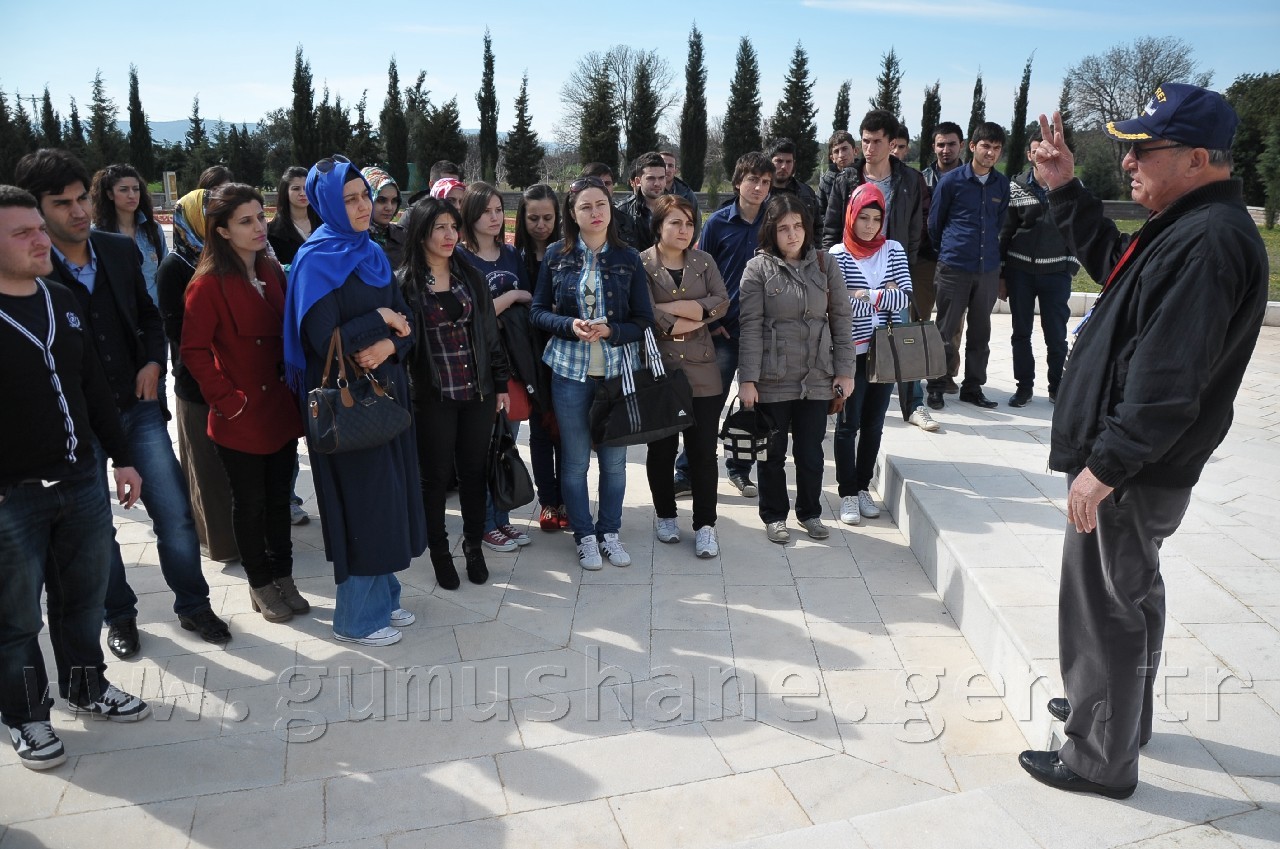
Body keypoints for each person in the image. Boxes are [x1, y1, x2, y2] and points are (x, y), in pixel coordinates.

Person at [1017, 87, 1269, 800]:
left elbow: (1166, 382)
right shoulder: (1184, 221)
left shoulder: (1209, 239)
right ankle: (1121, 713)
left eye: (1142, 149)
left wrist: (1105, 466)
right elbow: (1115, 264)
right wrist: (1065, 187)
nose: (1127, 161)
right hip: (1139, 464)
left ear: (1196, 158)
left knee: (1104, 605)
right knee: (1132, 589)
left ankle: (1100, 753)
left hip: (1133, 469)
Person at [16, 149, 229, 657]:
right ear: (36, 210)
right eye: (61, 203)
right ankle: (121, 615)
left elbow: (151, 318)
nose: (78, 211)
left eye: (81, 198)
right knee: (97, 531)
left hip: (137, 408)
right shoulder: (30, 274)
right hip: (77, 424)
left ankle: (194, 604)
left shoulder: (116, 249)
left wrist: (154, 363)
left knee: (175, 513)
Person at [0, 185, 153, 770]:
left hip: (81, 482)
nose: (42, 239)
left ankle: (87, 687)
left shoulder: (60, 298)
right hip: (12, 498)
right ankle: (26, 716)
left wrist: (122, 456)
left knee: (82, 601)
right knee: (14, 618)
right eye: (23, 233)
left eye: (39, 228)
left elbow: (91, 387)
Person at [283, 155, 426, 647]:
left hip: (385, 392)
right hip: (347, 404)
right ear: (328, 204)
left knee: (390, 499)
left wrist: (391, 339)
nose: (363, 206)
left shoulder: (371, 253)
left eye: (364, 195)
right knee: (364, 506)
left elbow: (408, 323)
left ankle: (385, 600)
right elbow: (324, 340)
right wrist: (382, 318)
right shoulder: (316, 261)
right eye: (350, 199)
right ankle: (356, 620)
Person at [181, 184, 307, 623]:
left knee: (278, 501)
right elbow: (193, 351)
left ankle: (284, 575)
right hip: (241, 414)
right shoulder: (207, 285)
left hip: (278, 408)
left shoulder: (272, 270)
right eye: (246, 221)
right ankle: (259, 583)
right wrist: (227, 399)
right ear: (221, 231)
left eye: (260, 216)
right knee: (250, 503)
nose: (260, 227)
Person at [530, 175, 654, 571]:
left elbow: (643, 320)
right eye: (586, 206)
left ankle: (609, 532)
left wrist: (612, 330)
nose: (595, 212)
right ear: (573, 213)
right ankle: (584, 536)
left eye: (601, 204)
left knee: (615, 463)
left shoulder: (628, 257)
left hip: (618, 373)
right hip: (569, 372)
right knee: (575, 462)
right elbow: (537, 311)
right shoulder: (556, 256)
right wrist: (570, 325)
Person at [400, 197, 511, 590]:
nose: (449, 236)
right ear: (421, 233)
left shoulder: (469, 274)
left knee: (473, 472)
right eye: (439, 228)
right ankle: (440, 553)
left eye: (453, 226)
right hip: (434, 396)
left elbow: (488, 334)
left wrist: (500, 383)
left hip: (476, 391)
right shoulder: (406, 284)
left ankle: (474, 548)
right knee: (434, 478)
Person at [738, 194, 854, 544]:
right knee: (772, 452)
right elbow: (750, 326)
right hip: (773, 377)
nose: (792, 235)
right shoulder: (757, 269)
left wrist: (845, 370)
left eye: (798, 227)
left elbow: (841, 319)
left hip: (817, 375)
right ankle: (774, 515)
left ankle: (810, 512)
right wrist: (748, 380)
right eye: (784, 228)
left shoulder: (825, 263)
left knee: (811, 452)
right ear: (772, 231)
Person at [640, 195, 728, 558]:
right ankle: (665, 515)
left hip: (703, 368)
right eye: (675, 222)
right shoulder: (641, 263)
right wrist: (690, 313)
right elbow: (644, 312)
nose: (684, 229)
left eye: (689, 223)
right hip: (660, 368)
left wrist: (675, 309)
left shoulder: (703, 261)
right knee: (661, 448)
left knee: (703, 451)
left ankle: (705, 525)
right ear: (659, 225)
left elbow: (721, 301)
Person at [687, 151, 776, 499]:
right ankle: (688, 469)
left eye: (765, 182)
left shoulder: (774, 222)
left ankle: (740, 470)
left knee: (751, 406)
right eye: (752, 180)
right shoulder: (718, 223)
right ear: (738, 182)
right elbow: (698, 273)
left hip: (762, 333)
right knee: (709, 402)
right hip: (723, 332)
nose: (758, 187)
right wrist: (709, 323)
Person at [156, 190, 239, 562]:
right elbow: (177, 331)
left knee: (237, 469)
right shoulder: (174, 267)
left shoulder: (228, 260)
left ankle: (250, 536)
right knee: (207, 471)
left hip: (234, 380)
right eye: (208, 217)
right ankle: (221, 543)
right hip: (196, 383)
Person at [456, 181, 533, 552]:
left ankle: (502, 519)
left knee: (506, 442)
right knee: (483, 447)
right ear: (470, 214)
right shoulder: (459, 258)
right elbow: (472, 315)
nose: (494, 217)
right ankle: (484, 523)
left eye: (499, 210)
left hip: (512, 362)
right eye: (486, 210)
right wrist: (513, 296)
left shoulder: (511, 255)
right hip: (475, 364)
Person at [829, 184, 913, 525]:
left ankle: (863, 487)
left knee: (874, 424)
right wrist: (883, 294)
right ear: (851, 216)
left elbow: (904, 298)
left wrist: (866, 294)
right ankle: (847, 492)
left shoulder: (893, 249)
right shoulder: (836, 254)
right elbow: (838, 304)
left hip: (886, 351)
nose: (869, 225)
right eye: (863, 217)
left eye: (876, 218)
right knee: (848, 424)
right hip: (852, 353)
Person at [925, 121, 1010, 411]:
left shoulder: (1001, 184)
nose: (991, 153)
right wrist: (950, 249)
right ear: (972, 147)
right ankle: (936, 385)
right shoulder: (952, 181)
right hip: (954, 266)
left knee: (980, 332)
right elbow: (935, 224)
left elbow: (998, 223)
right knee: (945, 330)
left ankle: (973, 387)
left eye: (996, 149)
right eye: (986, 146)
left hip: (986, 269)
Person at [998, 128, 1078, 407]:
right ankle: (1024, 387)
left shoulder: (1071, 188)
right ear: (1029, 154)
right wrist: (1002, 273)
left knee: (1055, 334)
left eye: (1045, 150)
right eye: (1035, 150)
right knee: (1021, 332)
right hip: (1020, 273)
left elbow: (1078, 232)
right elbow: (1005, 232)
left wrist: (1069, 267)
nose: (1039, 155)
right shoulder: (1015, 186)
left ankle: (1057, 387)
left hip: (1056, 274)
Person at [513, 184, 568, 532]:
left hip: (564, 347)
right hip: (527, 352)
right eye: (533, 218)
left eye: (548, 217)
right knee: (539, 429)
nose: (541, 225)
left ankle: (567, 497)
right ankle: (548, 500)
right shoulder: (513, 256)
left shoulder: (568, 252)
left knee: (565, 428)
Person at [920, 121, 966, 397]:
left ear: (962, 145)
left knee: (952, 322)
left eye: (951, 144)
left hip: (957, 260)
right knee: (919, 317)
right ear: (933, 147)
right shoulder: (921, 179)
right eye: (940, 144)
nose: (945, 149)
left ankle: (946, 373)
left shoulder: (972, 177)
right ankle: (914, 369)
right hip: (925, 257)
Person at [90, 163, 167, 307]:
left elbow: (164, 275)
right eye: (124, 190)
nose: (132, 195)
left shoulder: (153, 229)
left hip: (155, 316)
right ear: (110, 194)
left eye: (136, 189)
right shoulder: (97, 234)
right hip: (119, 318)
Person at [267, 166, 322, 268]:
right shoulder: (272, 232)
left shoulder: (324, 223)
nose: (303, 193)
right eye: (296, 188)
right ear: (285, 192)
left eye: (306, 188)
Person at [615, 152, 668, 251]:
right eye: (651, 178)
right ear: (638, 181)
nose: (657, 183)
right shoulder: (621, 211)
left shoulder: (675, 209)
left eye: (661, 178)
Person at [768, 137, 821, 235]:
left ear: (794, 163)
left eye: (788, 162)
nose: (784, 166)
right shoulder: (761, 193)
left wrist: (815, 248)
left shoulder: (807, 193)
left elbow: (818, 227)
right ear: (770, 162)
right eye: (779, 161)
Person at [362, 166, 408, 268]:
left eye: (394, 201)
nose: (389, 207)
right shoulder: (355, 239)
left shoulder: (402, 236)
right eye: (381, 200)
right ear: (367, 199)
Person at [659, 150, 701, 238]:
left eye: (670, 166)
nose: (667, 169)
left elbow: (696, 225)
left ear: (675, 170)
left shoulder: (687, 194)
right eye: (662, 165)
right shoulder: (650, 192)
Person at [817, 131, 856, 224]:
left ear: (855, 151)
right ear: (832, 158)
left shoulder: (864, 174)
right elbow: (819, 213)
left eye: (845, 149)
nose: (841, 155)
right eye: (836, 151)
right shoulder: (826, 181)